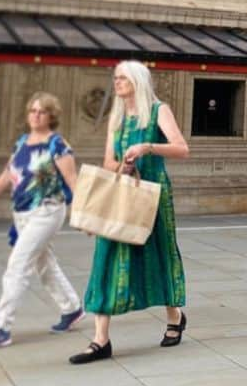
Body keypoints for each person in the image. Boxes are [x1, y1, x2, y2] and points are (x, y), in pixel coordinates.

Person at [70, 61, 189, 363]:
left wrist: (148, 147)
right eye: (115, 78)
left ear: (137, 80)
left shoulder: (159, 110)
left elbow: (181, 148)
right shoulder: (117, 118)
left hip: (153, 193)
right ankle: (100, 339)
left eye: (123, 78)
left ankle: (175, 317)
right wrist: (123, 164)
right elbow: (108, 161)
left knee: (159, 253)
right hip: (123, 194)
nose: (117, 82)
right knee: (106, 255)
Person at [0, 94, 84, 349]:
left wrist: (83, 215)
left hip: (47, 211)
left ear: (51, 116)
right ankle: (72, 309)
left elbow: (72, 181)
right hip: (21, 213)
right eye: (32, 110)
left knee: (18, 265)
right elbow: (8, 174)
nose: (36, 115)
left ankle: (1, 327)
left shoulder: (58, 144)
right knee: (44, 264)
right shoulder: (22, 141)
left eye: (42, 111)